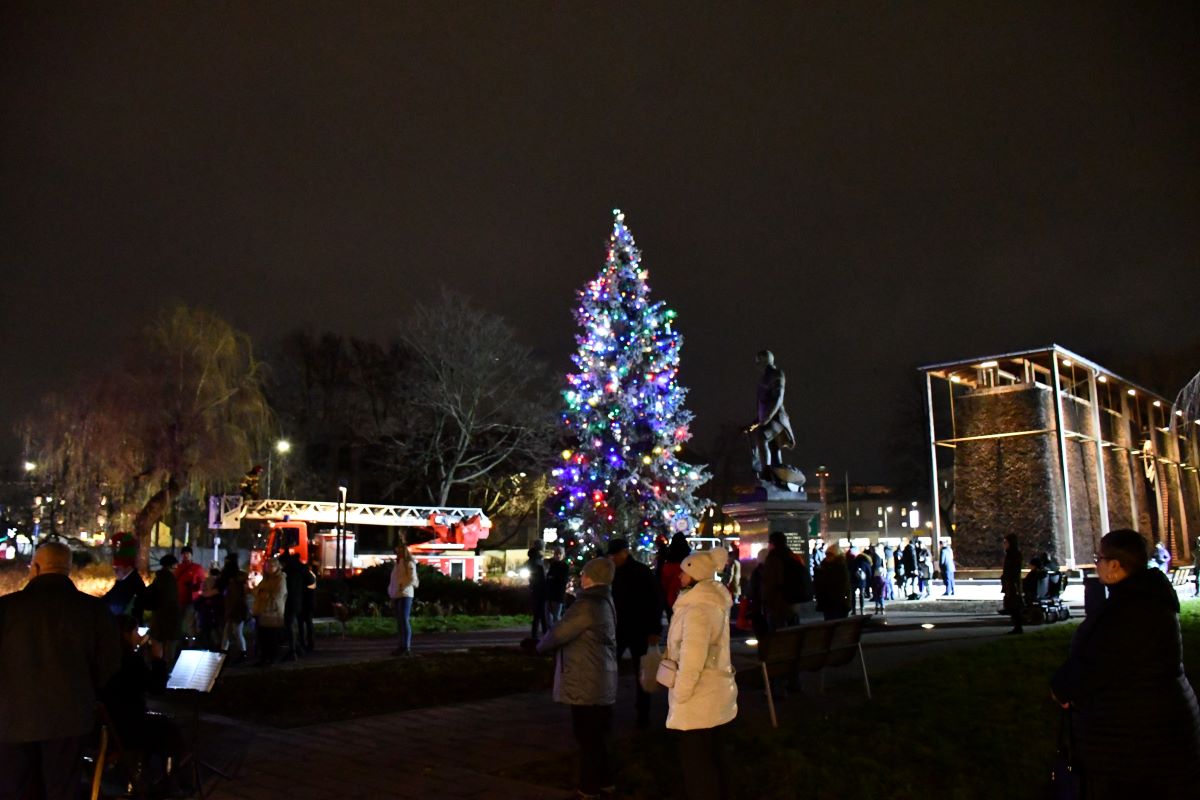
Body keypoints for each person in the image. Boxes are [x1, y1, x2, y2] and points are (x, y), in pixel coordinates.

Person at [1051, 529, 1200, 799]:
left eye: (1099, 558)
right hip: (1157, 729)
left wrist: (1062, 689)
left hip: (1134, 742)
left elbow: (1090, 668)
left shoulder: (1127, 613)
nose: (1096, 564)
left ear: (1115, 566)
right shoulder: (1151, 601)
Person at [0, 541, 121, 800]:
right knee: (63, 790)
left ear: (35, 568)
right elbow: (109, 662)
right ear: (68, 569)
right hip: (70, 717)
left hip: (12, 719)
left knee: (16, 789)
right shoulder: (93, 610)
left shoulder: (7, 608)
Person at [537, 558, 618, 800]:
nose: (581, 576)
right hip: (600, 675)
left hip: (586, 678)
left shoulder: (587, 605)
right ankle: (605, 782)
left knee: (587, 736)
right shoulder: (605, 600)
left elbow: (559, 633)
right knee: (598, 735)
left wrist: (539, 646)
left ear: (591, 577)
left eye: (583, 573)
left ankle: (588, 788)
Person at [664, 548, 738, 800]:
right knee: (715, 757)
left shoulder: (697, 609)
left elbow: (692, 658)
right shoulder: (710, 602)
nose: (680, 576)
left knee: (698, 766)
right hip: (714, 693)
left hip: (699, 698)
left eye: (684, 572)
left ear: (695, 574)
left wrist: (681, 694)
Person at [99, 615, 187, 791]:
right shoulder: (130, 660)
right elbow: (156, 688)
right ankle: (168, 782)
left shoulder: (103, 657)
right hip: (128, 726)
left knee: (159, 726)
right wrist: (158, 659)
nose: (138, 636)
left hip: (107, 724)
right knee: (169, 730)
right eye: (135, 631)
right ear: (126, 634)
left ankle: (145, 774)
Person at [607, 538, 662, 729]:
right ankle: (607, 708)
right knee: (610, 669)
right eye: (611, 555)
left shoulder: (640, 571)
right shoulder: (613, 571)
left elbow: (654, 600)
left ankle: (643, 713)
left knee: (642, 671)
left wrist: (654, 629)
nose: (613, 558)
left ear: (625, 552)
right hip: (620, 628)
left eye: (616, 554)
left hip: (638, 628)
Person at [742, 349, 796, 485]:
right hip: (768, 418)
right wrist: (755, 422)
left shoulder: (776, 374)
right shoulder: (764, 378)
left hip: (777, 418)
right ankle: (777, 477)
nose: (757, 365)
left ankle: (766, 472)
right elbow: (763, 405)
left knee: (762, 436)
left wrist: (767, 417)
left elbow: (778, 398)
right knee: (774, 449)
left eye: (758, 362)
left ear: (764, 361)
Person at [761, 531, 811, 631]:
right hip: (793, 602)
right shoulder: (793, 556)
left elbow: (770, 583)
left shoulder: (773, 559)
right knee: (792, 631)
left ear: (773, 544)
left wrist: (764, 601)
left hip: (777, 603)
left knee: (778, 633)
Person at [142, 554, 183, 665]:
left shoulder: (159, 578)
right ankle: (164, 668)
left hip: (158, 616)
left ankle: (158, 666)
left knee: (158, 643)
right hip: (168, 618)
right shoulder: (169, 579)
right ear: (172, 565)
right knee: (167, 649)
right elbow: (170, 600)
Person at [252, 556, 288, 665]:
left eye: (272, 566)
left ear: (277, 567)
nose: (269, 568)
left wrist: (264, 594)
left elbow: (277, 596)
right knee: (263, 637)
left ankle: (271, 659)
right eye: (267, 566)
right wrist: (261, 593)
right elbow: (257, 591)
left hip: (273, 613)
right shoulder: (266, 579)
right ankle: (264, 658)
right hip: (262, 612)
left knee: (272, 637)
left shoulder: (280, 579)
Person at [102, 531, 145, 620]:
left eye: (118, 569)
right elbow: (107, 598)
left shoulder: (133, 583)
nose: (115, 572)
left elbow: (118, 605)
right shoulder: (122, 581)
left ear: (128, 567)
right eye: (114, 568)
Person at [388, 541, 418, 656]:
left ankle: (406, 647)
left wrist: (402, 587)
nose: (397, 553)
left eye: (399, 550)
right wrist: (392, 592)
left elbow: (412, 579)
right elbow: (394, 580)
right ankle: (402, 646)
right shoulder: (397, 564)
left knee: (404, 620)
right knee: (400, 621)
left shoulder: (408, 563)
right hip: (397, 594)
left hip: (405, 594)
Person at [218, 552, 249, 663]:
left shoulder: (234, 580)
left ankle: (241, 653)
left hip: (236, 609)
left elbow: (236, 597)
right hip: (233, 608)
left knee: (236, 631)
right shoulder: (236, 578)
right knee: (229, 632)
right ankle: (226, 653)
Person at [174, 546, 207, 642]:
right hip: (179, 599)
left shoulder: (197, 568)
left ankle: (191, 642)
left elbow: (202, 582)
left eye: (187, 553)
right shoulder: (177, 568)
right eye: (184, 553)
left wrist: (196, 588)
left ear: (191, 555)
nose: (186, 555)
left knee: (190, 622)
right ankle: (178, 641)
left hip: (191, 600)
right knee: (178, 621)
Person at [813, 543, 851, 620]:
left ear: (836, 555)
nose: (827, 556)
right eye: (826, 554)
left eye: (830, 554)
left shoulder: (840, 567)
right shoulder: (824, 566)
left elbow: (843, 586)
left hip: (838, 603)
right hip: (827, 602)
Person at [661, 533, 691, 618]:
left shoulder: (668, 564)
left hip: (672, 598)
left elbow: (664, 583)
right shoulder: (689, 563)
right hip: (687, 598)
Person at [1001, 534, 1023, 634]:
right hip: (1010, 582)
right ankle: (1017, 626)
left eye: (1006, 542)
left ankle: (1018, 626)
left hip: (1012, 583)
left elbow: (1013, 570)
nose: (1004, 544)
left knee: (1014, 604)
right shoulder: (1011, 554)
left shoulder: (1013, 555)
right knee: (1013, 603)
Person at [526, 546, 549, 639]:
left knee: (537, 615)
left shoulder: (530, 563)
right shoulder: (539, 564)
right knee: (543, 615)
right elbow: (543, 578)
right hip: (541, 591)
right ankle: (545, 634)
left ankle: (535, 634)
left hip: (535, 591)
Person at [545, 545, 569, 623]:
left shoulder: (564, 566)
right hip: (550, 594)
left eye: (560, 554)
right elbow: (549, 578)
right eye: (556, 553)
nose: (558, 555)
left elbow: (562, 580)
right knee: (548, 615)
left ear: (563, 555)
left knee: (556, 616)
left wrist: (553, 578)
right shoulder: (553, 565)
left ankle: (557, 630)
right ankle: (551, 629)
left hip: (558, 595)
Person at [298, 560, 317, 654]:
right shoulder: (311, 576)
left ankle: (303, 643)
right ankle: (310, 643)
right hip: (309, 604)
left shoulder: (305, 577)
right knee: (308, 624)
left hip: (304, 604)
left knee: (302, 625)